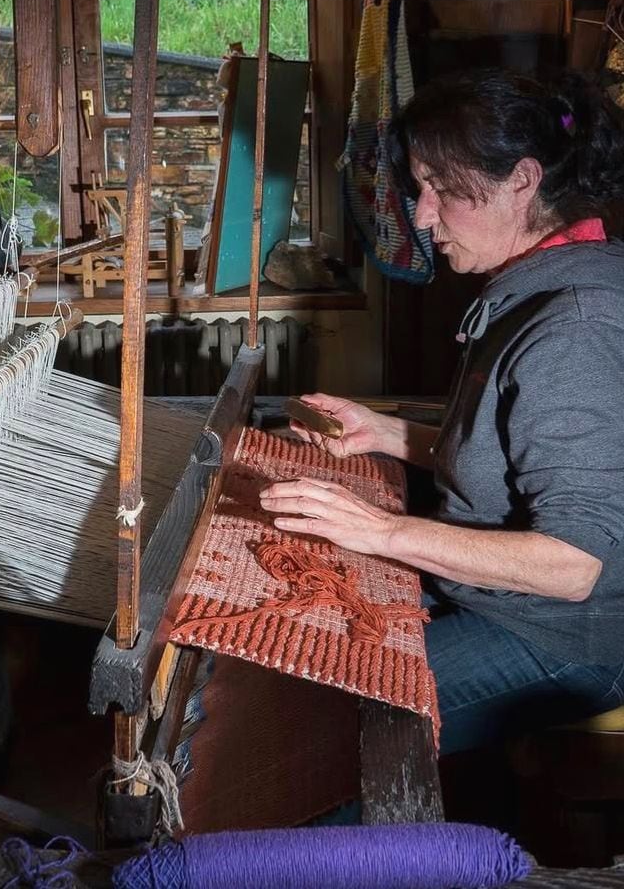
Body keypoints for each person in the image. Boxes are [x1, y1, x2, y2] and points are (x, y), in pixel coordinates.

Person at [260, 69, 624, 756]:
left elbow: (576, 566)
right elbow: (515, 457)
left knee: (325, 729)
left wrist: (383, 531)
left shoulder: (575, 327)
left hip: (569, 642)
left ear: (521, 180)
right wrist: (389, 433)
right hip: (509, 606)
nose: (424, 216)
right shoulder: (549, 282)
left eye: (443, 190)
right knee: (298, 652)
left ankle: (306, 855)